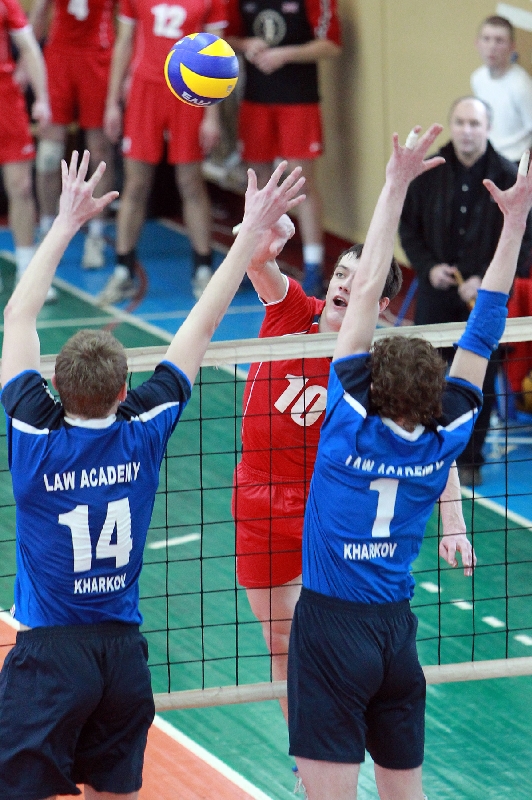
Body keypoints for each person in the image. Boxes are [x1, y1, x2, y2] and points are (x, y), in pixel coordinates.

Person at [0, 149, 305, 800]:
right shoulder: (143, 431)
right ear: (123, 391)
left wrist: (65, 222)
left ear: (55, 386)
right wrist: (249, 236)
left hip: (50, 657)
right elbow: (200, 327)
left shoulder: (34, 440)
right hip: (121, 658)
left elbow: (18, 315)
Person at [287, 123, 532, 800]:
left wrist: (394, 184)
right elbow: (486, 325)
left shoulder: (348, 424)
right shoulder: (447, 431)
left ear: (369, 385)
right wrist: (515, 224)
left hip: (331, 628)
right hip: (396, 634)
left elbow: (365, 290)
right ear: (432, 395)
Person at [233, 217, 474, 727]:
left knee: (329, 634)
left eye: (358, 280)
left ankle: (346, 730)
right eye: (341, 274)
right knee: (278, 637)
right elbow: (257, 266)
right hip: (257, 497)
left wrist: (453, 524)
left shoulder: (379, 365)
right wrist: (263, 237)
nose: (344, 284)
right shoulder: (294, 311)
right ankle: (304, 752)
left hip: (330, 506)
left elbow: (434, 444)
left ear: (379, 303)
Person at [399, 96, 532, 486]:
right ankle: (424, 451)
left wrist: (487, 280)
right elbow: (408, 229)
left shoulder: (509, 176)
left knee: (482, 380)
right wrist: (428, 267)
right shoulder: (429, 173)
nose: (467, 131)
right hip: (436, 294)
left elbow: (525, 243)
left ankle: (470, 458)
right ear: (452, 126)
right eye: (460, 122)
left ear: (488, 128)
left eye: (475, 123)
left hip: (484, 300)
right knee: (426, 374)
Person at [100, 0, 227, 305]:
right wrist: (112, 102)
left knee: (191, 182)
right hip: (145, 89)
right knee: (135, 184)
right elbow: (124, 42)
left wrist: (212, 115)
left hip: (190, 90)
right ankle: (123, 271)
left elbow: (217, 55)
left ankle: (203, 271)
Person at [226, 0, 342, 297]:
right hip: (255, 99)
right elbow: (222, 36)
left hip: (299, 100)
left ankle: (313, 267)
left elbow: (331, 45)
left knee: (302, 183)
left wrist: (285, 54)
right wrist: (246, 44)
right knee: (257, 185)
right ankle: (253, 260)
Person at [30, 0, 116, 273]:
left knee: (99, 150)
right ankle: (47, 229)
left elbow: (129, 19)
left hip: (98, 56)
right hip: (59, 55)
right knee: (48, 155)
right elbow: (39, 13)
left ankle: (96, 235)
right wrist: (28, 60)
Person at [0, 0, 50, 295]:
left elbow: (29, 47)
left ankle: (26, 270)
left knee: (21, 186)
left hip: (6, 99)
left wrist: (42, 98)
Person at [471, 15, 532, 164]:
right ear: (477, 43)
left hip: (514, 161)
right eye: (486, 39)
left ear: (512, 47)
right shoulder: (478, 78)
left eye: (499, 40)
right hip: (488, 157)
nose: (492, 46)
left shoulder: (521, 86)